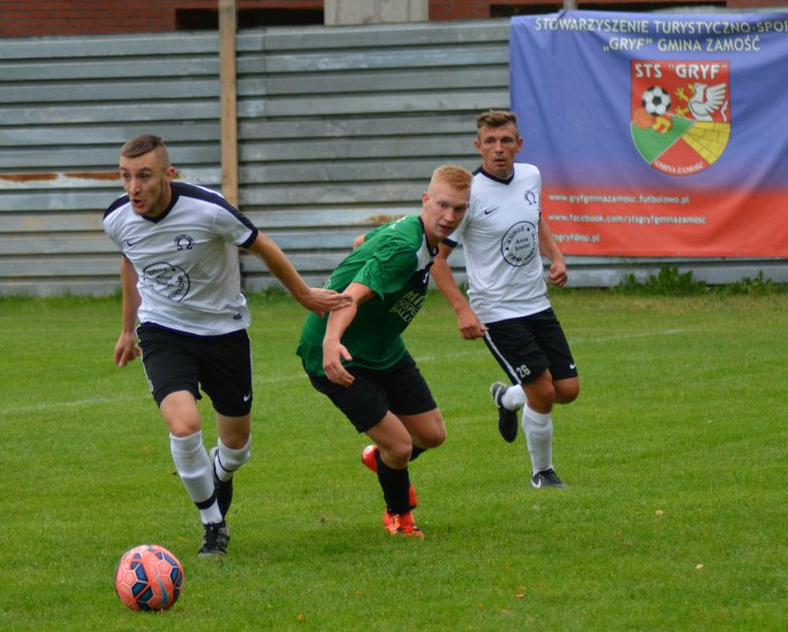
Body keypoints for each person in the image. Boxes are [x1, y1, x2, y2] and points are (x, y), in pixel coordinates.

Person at [104, 134, 350, 558]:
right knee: (183, 425)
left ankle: (222, 471)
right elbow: (131, 261)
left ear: (168, 174)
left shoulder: (208, 210)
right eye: (125, 176)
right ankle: (213, 524)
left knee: (235, 447)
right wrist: (128, 329)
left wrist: (304, 295)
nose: (133, 187)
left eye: (144, 176)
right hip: (163, 331)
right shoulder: (117, 219)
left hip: (224, 333)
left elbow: (262, 244)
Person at [296, 164, 472, 538]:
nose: (449, 216)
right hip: (338, 355)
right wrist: (331, 340)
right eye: (442, 205)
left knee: (432, 435)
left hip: (385, 350)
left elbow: (362, 242)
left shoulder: (414, 232)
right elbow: (350, 299)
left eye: (459, 209)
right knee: (401, 444)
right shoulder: (404, 250)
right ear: (426, 200)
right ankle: (399, 516)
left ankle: (383, 460)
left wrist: (356, 262)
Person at [430, 110, 580, 489]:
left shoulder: (531, 176)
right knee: (544, 392)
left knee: (567, 390)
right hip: (496, 312)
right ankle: (542, 473)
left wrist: (557, 257)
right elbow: (436, 260)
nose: (499, 149)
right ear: (478, 146)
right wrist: (463, 310)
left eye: (506, 141)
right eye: (491, 142)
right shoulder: (467, 197)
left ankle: (508, 399)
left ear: (519, 145)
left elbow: (536, 219)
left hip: (537, 302)